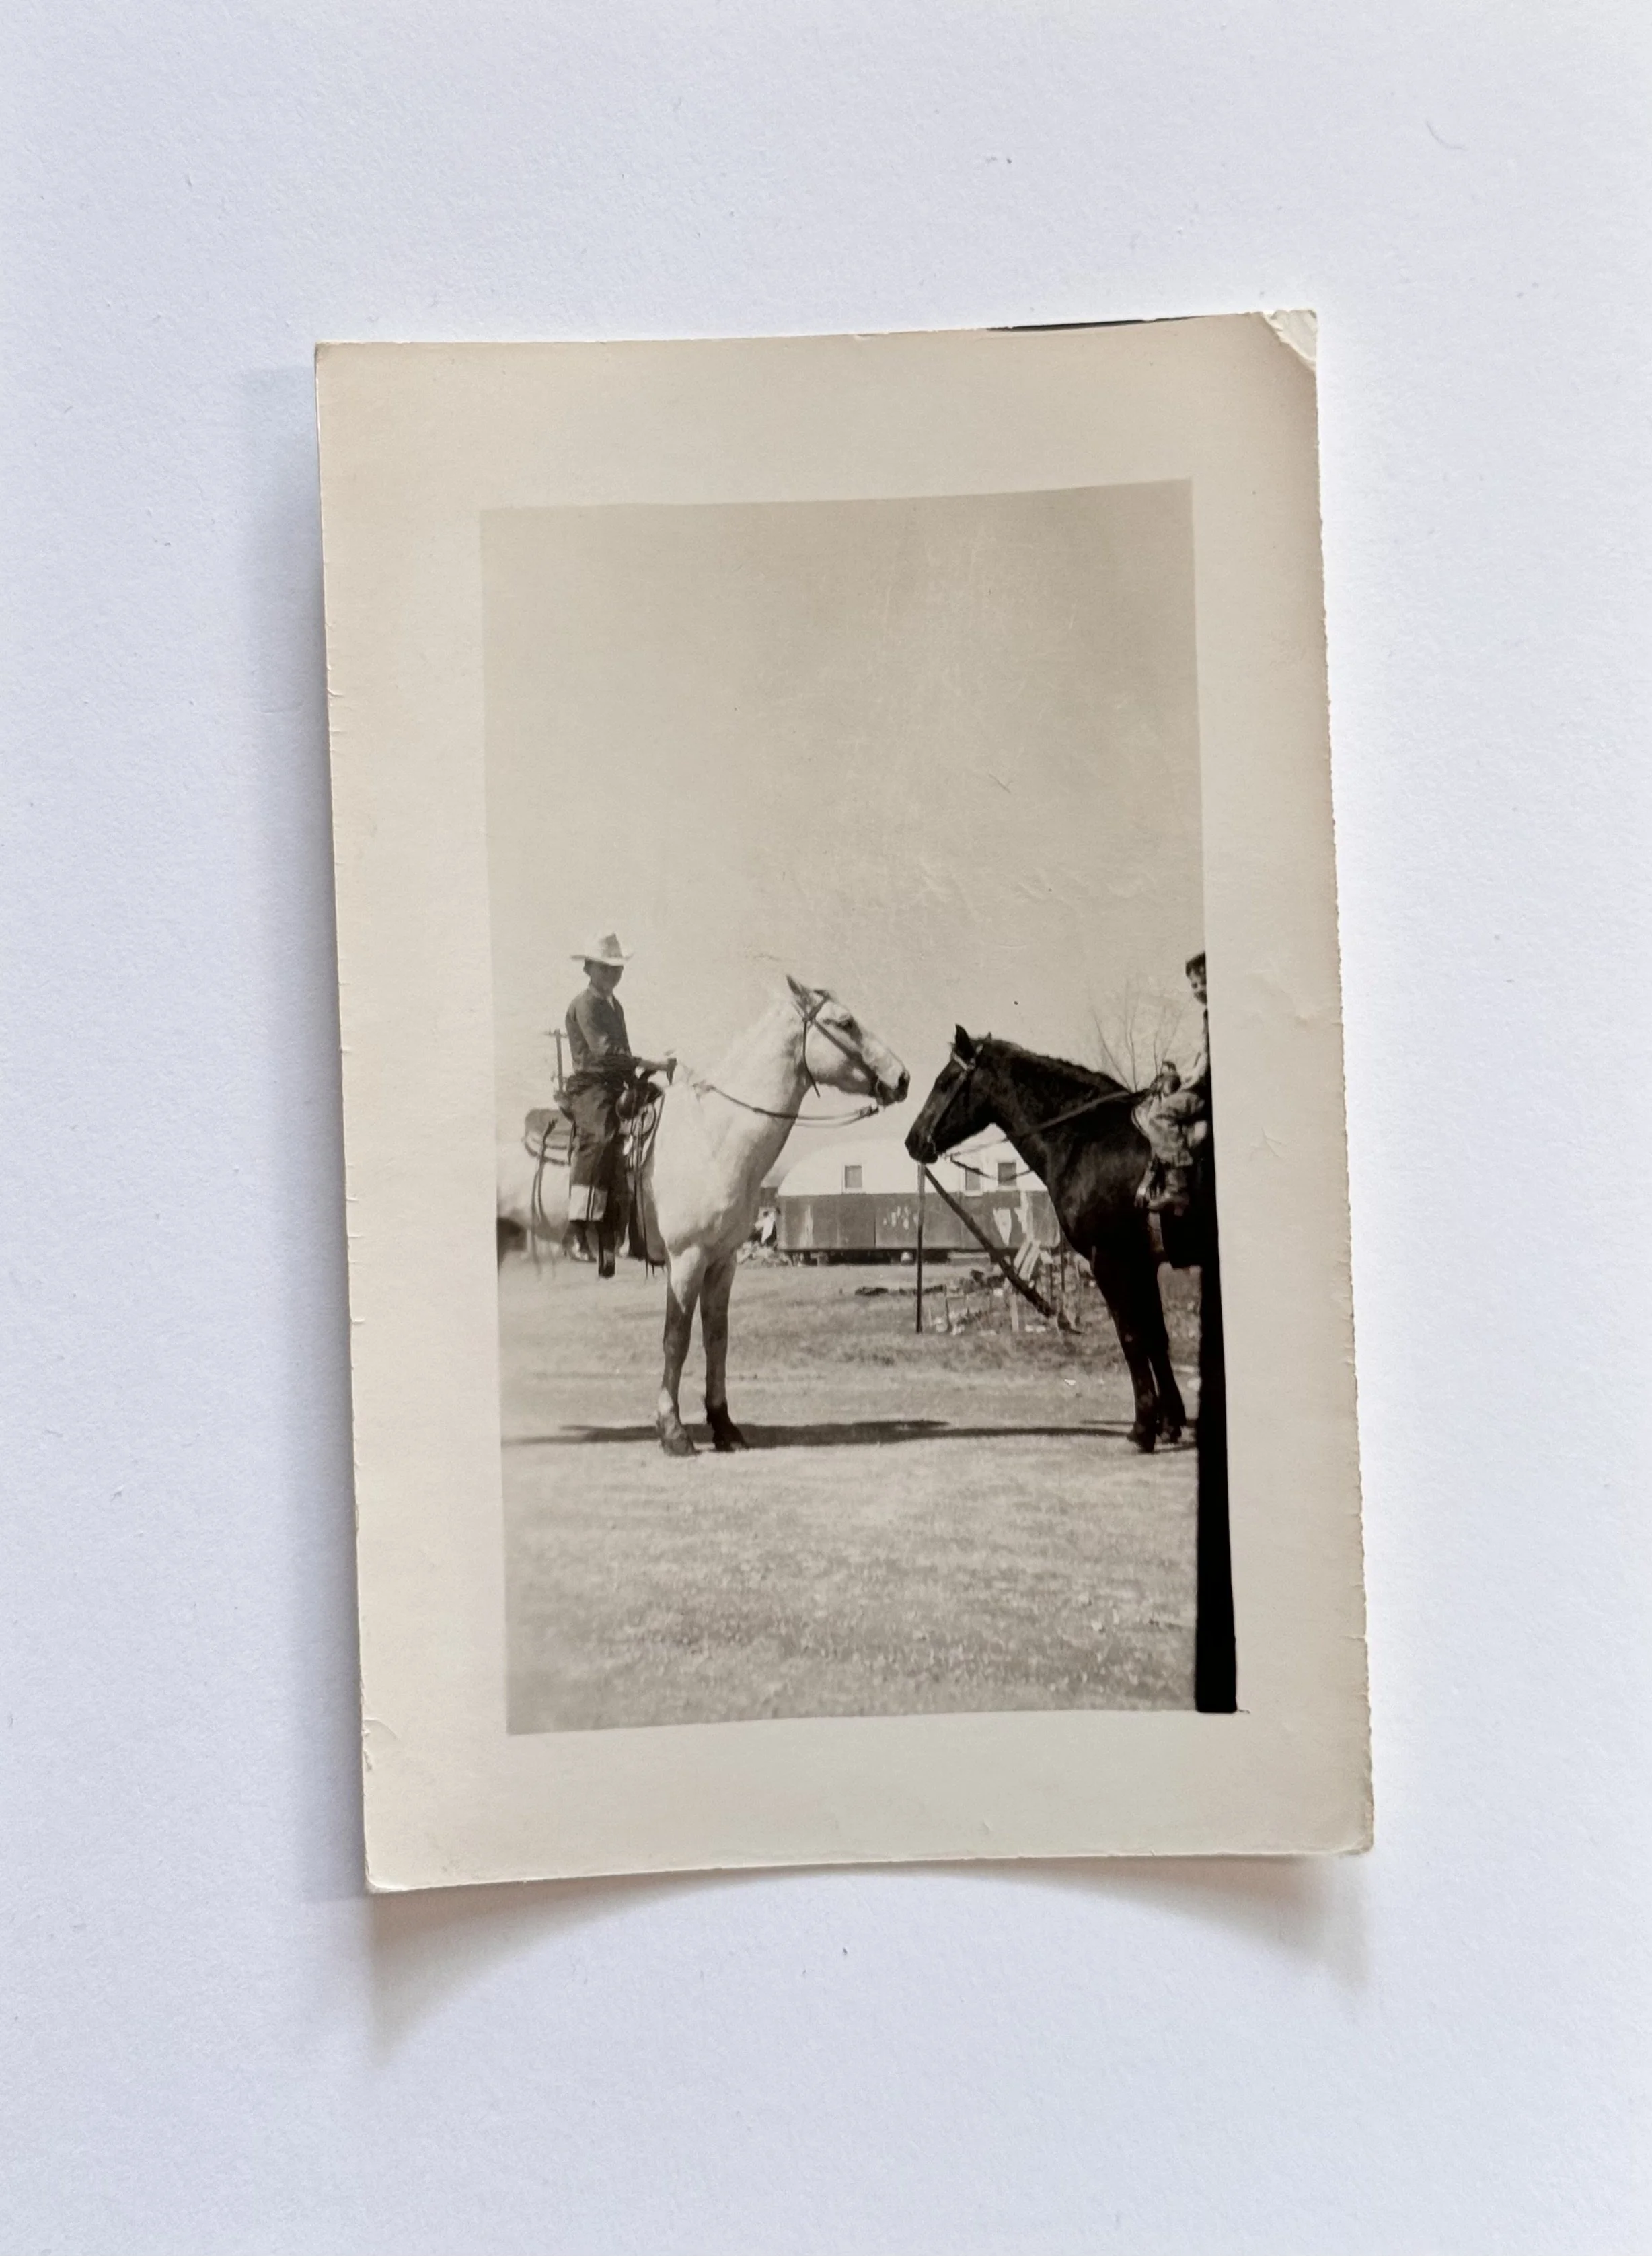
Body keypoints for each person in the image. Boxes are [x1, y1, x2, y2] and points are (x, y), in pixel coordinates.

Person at [560, 932, 671, 1275]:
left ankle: (628, 1233)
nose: (613, 975)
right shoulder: (585, 1005)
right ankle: (576, 1229)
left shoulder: (614, 1005)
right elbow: (604, 1052)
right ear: (589, 969)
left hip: (616, 1082)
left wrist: (641, 1072)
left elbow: (618, 1053)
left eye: (617, 969)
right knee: (602, 1136)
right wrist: (647, 1063)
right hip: (591, 1086)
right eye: (606, 969)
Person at [1134, 952, 1211, 1215]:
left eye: (1204, 982)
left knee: (1158, 1116)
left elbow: (1206, 1063)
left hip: (1204, 1091)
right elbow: (1203, 1055)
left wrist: (1190, 1079)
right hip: (1203, 1083)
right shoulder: (1210, 1015)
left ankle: (1177, 1186)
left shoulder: (1215, 1016)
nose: (1199, 990)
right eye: (1194, 986)